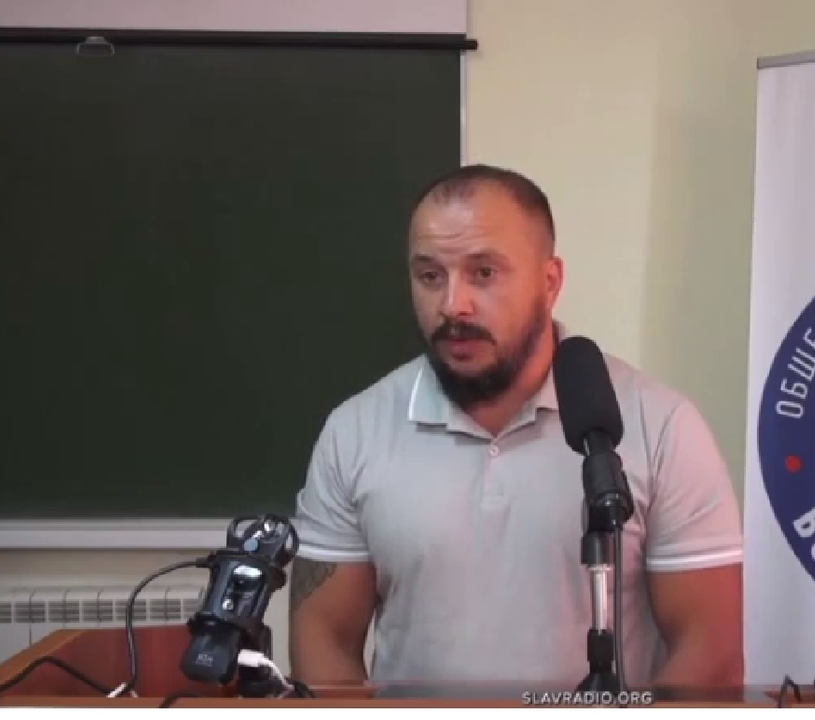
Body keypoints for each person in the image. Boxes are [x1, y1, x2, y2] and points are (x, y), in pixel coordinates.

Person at [287, 164, 744, 696]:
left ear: (549, 283)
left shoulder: (658, 425)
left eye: (483, 273)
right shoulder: (355, 432)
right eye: (430, 276)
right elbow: (324, 639)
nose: (452, 305)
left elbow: (709, 652)